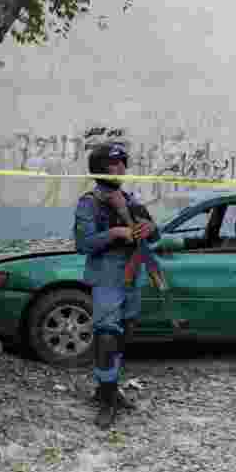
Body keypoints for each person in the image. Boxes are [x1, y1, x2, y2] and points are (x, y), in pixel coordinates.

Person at [74, 142, 160, 430]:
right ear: (100, 168)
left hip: (132, 271)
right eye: (115, 164)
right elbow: (83, 244)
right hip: (107, 274)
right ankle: (107, 399)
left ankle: (107, 386)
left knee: (125, 331)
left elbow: (153, 235)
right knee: (107, 336)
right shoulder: (90, 202)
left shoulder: (129, 199)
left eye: (123, 162)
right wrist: (113, 233)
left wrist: (150, 229)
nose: (121, 168)